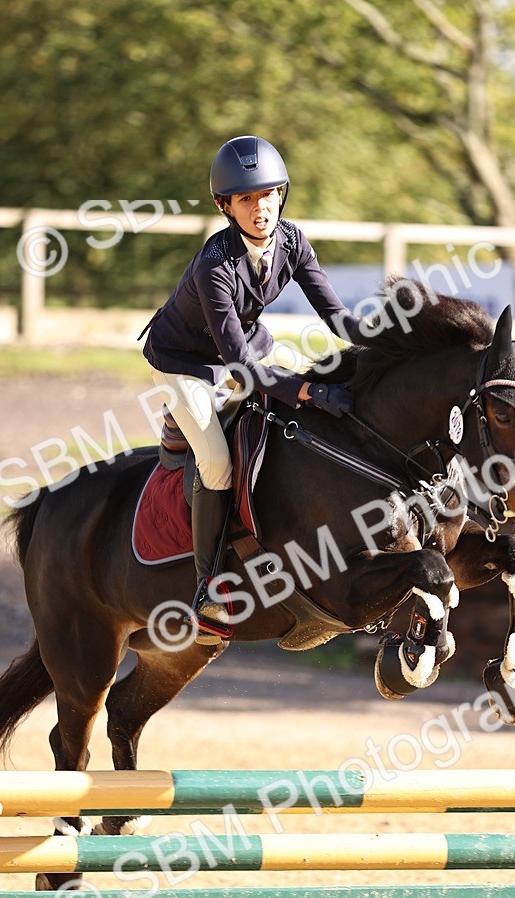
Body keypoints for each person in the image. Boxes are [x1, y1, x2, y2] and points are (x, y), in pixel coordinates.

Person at [140, 134, 364, 645]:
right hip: (186, 363)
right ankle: (207, 588)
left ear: (281, 194)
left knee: (312, 375)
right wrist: (306, 394)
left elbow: (336, 316)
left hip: (245, 344)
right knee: (217, 463)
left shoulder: (292, 241)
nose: (261, 208)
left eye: (268, 195)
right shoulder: (214, 265)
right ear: (226, 206)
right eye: (246, 199)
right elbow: (239, 367)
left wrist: (382, 338)